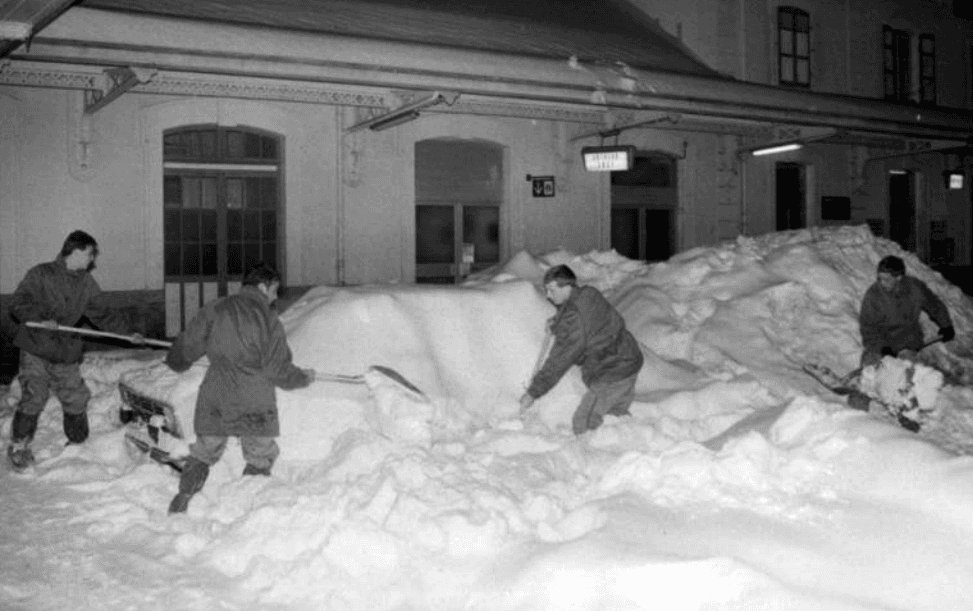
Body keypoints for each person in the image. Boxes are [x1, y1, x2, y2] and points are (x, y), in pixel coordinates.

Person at [165, 263, 314, 515]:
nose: (276, 296)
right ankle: (246, 512)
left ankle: (183, 497)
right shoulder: (269, 320)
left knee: (204, 450)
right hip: (254, 399)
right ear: (262, 286)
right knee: (259, 454)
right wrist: (302, 378)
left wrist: (175, 360)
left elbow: (188, 345)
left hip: (217, 393)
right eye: (274, 290)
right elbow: (278, 369)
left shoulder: (217, 307)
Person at [6, 230, 144, 470]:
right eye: (91, 254)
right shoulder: (40, 274)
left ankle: (78, 442)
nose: (93, 260)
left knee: (75, 396)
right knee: (35, 395)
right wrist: (39, 317)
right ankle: (19, 446)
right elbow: (18, 303)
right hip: (36, 346)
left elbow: (103, 314)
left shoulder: (86, 283)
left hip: (64, 347)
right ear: (77, 251)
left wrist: (127, 333)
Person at [519, 264, 644, 435]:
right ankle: (629, 449)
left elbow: (559, 361)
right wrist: (557, 323)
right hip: (629, 361)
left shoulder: (575, 320)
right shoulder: (588, 293)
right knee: (614, 418)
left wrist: (532, 393)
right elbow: (584, 317)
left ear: (567, 286)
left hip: (612, 372)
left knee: (584, 423)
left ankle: (591, 458)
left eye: (551, 290)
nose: (547, 296)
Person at [859, 255, 955, 369]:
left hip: (908, 340)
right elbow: (868, 328)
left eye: (886, 279)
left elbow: (934, 305)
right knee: (870, 366)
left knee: (905, 369)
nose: (882, 283)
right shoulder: (873, 296)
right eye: (879, 278)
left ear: (899, 277)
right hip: (883, 340)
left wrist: (946, 325)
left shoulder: (915, 288)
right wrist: (882, 348)